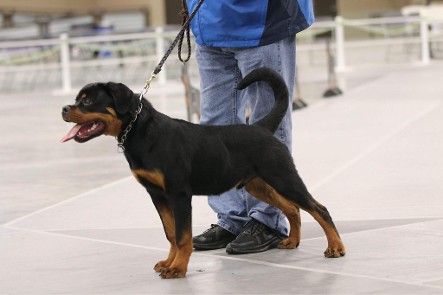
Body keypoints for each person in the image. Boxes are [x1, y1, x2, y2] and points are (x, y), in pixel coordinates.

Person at [186, 0, 315, 254]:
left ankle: (268, 220)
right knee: (214, 126)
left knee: (268, 124)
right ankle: (232, 218)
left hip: (263, 21)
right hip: (210, 21)